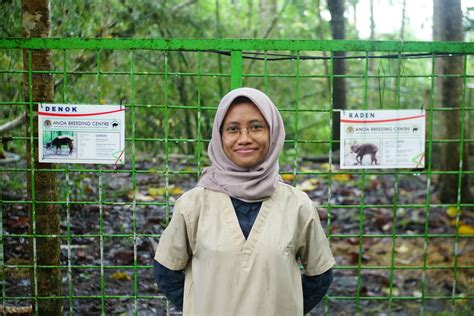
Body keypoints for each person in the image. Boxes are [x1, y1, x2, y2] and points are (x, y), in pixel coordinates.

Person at [154, 87, 335, 315]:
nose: (245, 138)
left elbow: (320, 275)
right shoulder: (193, 205)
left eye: (256, 127)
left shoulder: (297, 205)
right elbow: (166, 271)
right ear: (220, 136)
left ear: (273, 132)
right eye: (232, 129)